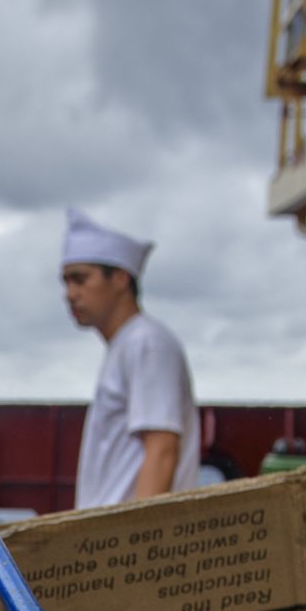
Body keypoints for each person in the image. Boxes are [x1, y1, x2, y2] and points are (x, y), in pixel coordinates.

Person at [61, 207, 200, 508]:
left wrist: (141, 544)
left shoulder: (146, 343)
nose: (70, 293)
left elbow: (161, 448)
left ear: (121, 278)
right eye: (66, 282)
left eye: (80, 279)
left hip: (125, 547)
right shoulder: (126, 345)